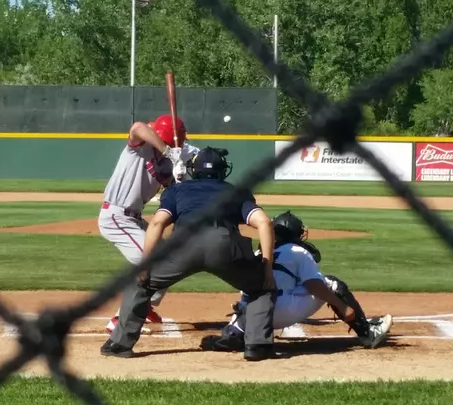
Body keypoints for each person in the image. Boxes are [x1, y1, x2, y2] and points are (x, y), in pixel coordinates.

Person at [101, 147, 280, 361]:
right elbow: (264, 222)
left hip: (182, 246)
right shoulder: (237, 192)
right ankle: (258, 346)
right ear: (223, 170)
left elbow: (157, 222)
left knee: (141, 283)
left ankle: (120, 344)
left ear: (193, 170)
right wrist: (266, 269)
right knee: (261, 287)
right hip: (223, 244)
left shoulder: (177, 191)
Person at [200, 211, 393, 352]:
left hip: (252, 314)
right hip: (282, 311)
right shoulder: (298, 252)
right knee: (331, 283)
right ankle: (368, 332)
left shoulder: (260, 252)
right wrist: (341, 305)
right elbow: (313, 285)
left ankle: (234, 334)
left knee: (249, 302)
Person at [98, 114, 200, 333]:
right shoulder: (139, 147)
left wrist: (182, 173)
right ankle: (120, 320)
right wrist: (167, 151)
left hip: (133, 218)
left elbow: (198, 157)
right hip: (116, 216)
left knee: (171, 260)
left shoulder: (175, 158)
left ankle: (145, 306)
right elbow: (137, 127)